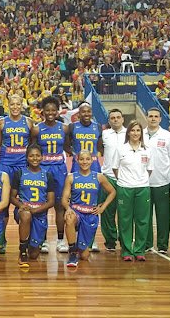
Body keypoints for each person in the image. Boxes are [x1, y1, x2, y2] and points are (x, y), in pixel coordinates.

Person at [62, 151, 117, 267]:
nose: (84, 162)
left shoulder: (99, 177)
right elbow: (64, 199)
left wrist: (102, 207)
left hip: (90, 215)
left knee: (85, 256)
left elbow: (113, 192)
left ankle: (77, 244)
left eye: (87, 159)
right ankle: (72, 251)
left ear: (92, 160)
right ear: (77, 160)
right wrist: (68, 208)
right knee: (69, 218)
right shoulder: (71, 177)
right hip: (76, 212)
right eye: (82, 159)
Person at [31, 96, 69, 253]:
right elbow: (32, 148)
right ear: (42, 112)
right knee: (42, 206)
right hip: (43, 169)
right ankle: (44, 240)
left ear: (58, 111)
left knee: (60, 206)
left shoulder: (64, 128)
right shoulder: (37, 129)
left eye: (53, 110)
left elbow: (68, 147)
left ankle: (60, 240)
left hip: (59, 168)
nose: (51, 112)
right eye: (47, 110)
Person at [111, 120, 153, 262]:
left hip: (142, 188)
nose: (135, 133)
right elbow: (115, 168)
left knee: (142, 220)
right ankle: (127, 250)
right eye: (133, 130)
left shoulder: (147, 150)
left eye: (138, 131)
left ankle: (140, 250)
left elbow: (149, 169)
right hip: (125, 188)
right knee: (125, 220)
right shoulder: (121, 149)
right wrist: (124, 180)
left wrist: (140, 180)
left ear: (141, 133)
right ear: (128, 132)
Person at [0, 94, 32, 254]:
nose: (15, 107)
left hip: (22, 165)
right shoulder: (1, 123)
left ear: (21, 105)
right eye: (12, 104)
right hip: (5, 164)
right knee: (3, 202)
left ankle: (27, 239)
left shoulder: (29, 122)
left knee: (24, 200)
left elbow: (31, 144)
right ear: (8, 105)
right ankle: (1, 238)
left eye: (18, 104)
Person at [10, 144, 55, 268]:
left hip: (39, 212)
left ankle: (31, 243)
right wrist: (21, 205)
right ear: (27, 157)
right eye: (31, 156)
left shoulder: (47, 175)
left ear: (42, 157)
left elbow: (51, 201)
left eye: (37, 155)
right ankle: (22, 250)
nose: (34, 158)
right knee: (25, 215)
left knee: (34, 255)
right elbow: (12, 197)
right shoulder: (19, 174)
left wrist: (35, 210)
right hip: (24, 210)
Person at [66, 102, 104, 252]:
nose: (86, 114)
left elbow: (100, 146)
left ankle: (90, 240)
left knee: (93, 205)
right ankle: (74, 238)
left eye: (89, 112)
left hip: (94, 166)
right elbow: (67, 144)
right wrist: (75, 155)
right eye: (83, 112)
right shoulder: (72, 127)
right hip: (77, 166)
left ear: (91, 113)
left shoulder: (98, 127)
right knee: (76, 203)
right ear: (78, 114)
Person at [143, 108, 170, 254]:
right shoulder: (139, 134)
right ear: (146, 117)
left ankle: (162, 245)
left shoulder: (168, 136)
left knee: (163, 216)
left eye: (156, 116)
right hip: (143, 182)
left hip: (162, 181)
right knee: (145, 216)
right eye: (150, 116)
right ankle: (147, 243)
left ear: (160, 119)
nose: (153, 119)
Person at [98, 108, 126, 252]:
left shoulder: (130, 134)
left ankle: (124, 239)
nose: (115, 119)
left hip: (125, 178)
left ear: (123, 119)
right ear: (109, 121)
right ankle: (110, 240)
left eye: (118, 117)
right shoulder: (104, 134)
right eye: (112, 118)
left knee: (124, 212)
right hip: (107, 177)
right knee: (107, 212)